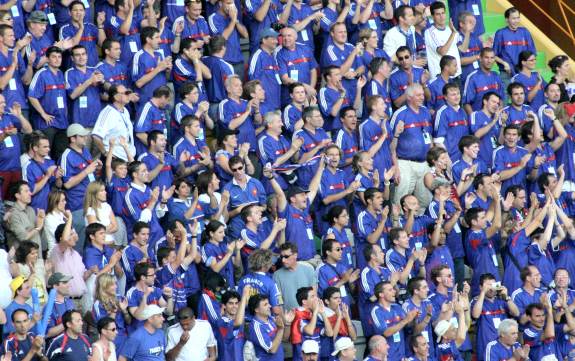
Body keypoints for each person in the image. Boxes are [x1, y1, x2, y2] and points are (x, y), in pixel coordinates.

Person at [390, 83, 433, 207]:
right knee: (400, 199)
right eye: (418, 95)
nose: (422, 97)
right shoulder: (400, 114)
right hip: (404, 163)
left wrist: (431, 162)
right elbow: (391, 143)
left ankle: (418, 225)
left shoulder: (425, 112)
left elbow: (429, 136)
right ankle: (397, 224)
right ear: (409, 97)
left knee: (425, 200)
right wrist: (396, 167)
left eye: (422, 95)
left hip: (424, 163)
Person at [60, 123, 101, 250]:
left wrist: (96, 168)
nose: (85, 138)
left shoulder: (85, 151)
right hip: (78, 204)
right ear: (72, 138)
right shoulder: (66, 155)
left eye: (85, 136)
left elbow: (89, 174)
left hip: (92, 201)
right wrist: (87, 171)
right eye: (82, 136)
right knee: (80, 243)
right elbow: (67, 184)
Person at [28, 46, 68, 161]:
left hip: (62, 122)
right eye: (54, 57)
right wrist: (43, 114)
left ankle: (58, 178)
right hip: (47, 122)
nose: (57, 59)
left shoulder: (61, 73)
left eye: (59, 57)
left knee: (60, 155)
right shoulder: (41, 74)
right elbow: (32, 96)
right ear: (47, 59)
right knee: (44, 155)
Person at [471, 273, 520, 361]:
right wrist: (482, 292)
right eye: (487, 285)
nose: (491, 288)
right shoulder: (476, 301)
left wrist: (506, 297)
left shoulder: (502, 300)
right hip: (485, 347)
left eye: (493, 285)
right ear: (481, 287)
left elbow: (516, 313)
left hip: (504, 346)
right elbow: (475, 315)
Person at [92, 84, 136, 162]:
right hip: (115, 160)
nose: (128, 95)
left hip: (128, 157)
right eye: (125, 93)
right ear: (115, 97)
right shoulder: (107, 112)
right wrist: (106, 153)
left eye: (128, 93)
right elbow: (96, 136)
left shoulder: (125, 111)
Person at [493, 7, 536, 79]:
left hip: (523, 72)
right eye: (513, 18)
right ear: (507, 20)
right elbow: (493, 55)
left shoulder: (525, 32)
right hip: (506, 73)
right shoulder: (500, 33)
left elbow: (532, 53)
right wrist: (504, 63)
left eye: (518, 18)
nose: (516, 21)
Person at [272, 243, 317, 311]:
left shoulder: (308, 269)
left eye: (286, 256)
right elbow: (279, 301)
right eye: (281, 257)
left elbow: (314, 296)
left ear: (295, 255)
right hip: (289, 318)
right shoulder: (277, 275)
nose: (283, 260)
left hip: (308, 316)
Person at [246, 294, 290, 361]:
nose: (270, 306)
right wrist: (280, 329)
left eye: (268, 303)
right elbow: (272, 349)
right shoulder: (256, 327)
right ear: (256, 309)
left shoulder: (271, 319)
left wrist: (287, 324)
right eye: (265, 304)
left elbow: (284, 338)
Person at [424, 2, 461, 80]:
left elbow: (462, 48)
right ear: (433, 16)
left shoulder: (449, 29)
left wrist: (467, 31)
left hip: (456, 75)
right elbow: (442, 52)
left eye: (443, 13)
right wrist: (453, 33)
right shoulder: (430, 32)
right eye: (438, 14)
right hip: (441, 78)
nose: (441, 17)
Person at [6, 181, 45, 252]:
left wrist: (41, 221)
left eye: (29, 190)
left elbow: (37, 234)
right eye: (26, 191)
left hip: (38, 256)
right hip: (22, 260)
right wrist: (38, 228)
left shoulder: (31, 210)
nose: (30, 193)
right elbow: (23, 237)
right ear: (17, 195)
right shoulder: (13, 214)